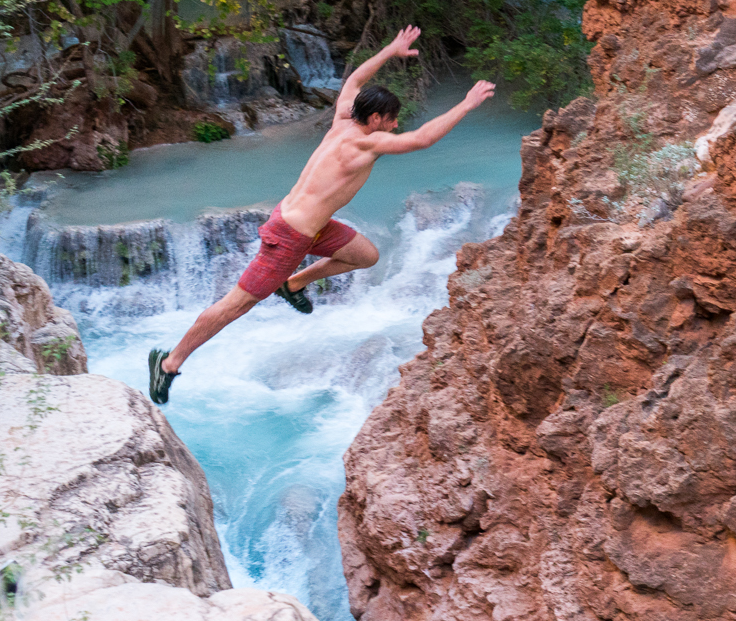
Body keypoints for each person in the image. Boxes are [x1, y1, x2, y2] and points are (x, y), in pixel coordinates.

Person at [147, 27, 494, 403]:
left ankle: (293, 284)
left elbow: (356, 78)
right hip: (288, 236)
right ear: (375, 118)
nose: (396, 125)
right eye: (392, 119)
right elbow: (424, 138)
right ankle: (169, 362)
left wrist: (391, 49)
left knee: (366, 256)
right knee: (237, 304)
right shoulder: (366, 142)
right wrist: (467, 103)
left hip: (310, 226)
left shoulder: (345, 118)